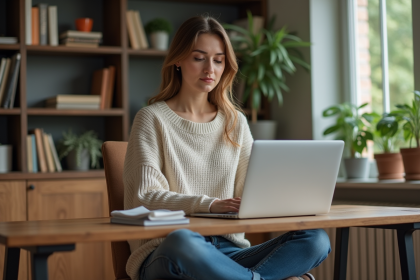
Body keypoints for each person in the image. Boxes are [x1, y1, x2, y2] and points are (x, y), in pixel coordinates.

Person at [123, 15, 330, 280]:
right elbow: (145, 196)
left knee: (316, 239)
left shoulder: (235, 122)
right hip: (169, 251)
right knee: (183, 240)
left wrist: (288, 196)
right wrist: (210, 205)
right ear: (178, 60)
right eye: (199, 58)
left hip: (229, 253)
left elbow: (251, 193)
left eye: (218, 60)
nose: (210, 68)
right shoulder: (151, 118)